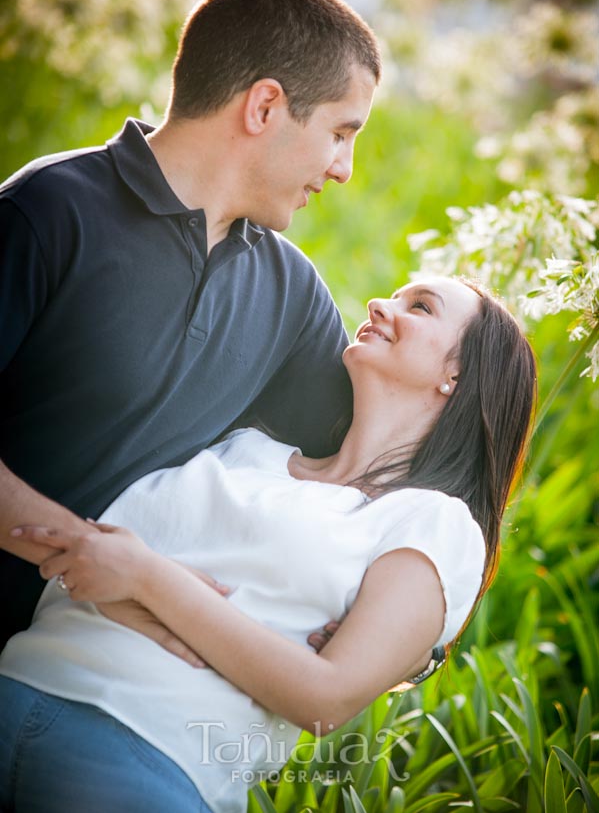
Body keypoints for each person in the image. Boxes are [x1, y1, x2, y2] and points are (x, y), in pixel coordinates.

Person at [0, 276, 537, 813]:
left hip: (149, 760)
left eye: (418, 306)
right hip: (17, 679)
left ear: (456, 374)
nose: (379, 303)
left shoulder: (432, 522)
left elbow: (326, 700)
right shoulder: (243, 444)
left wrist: (146, 576)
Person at [0, 0, 382, 650]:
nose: (343, 169)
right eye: (339, 133)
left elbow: (367, 460)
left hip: (106, 684)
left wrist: (393, 616)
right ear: (264, 106)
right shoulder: (48, 211)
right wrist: (97, 564)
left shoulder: (290, 293)